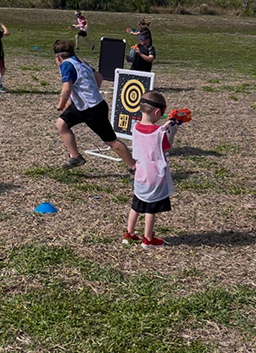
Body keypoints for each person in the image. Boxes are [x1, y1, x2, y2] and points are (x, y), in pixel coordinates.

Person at [53, 39, 134, 169]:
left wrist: (61, 105)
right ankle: (75, 157)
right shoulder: (81, 62)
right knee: (61, 124)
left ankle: (134, 168)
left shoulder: (66, 65)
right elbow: (99, 77)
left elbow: (67, 88)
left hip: (92, 109)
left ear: (57, 56)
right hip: (84, 106)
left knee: (111, 141)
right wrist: (91, 92)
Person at [123, 91, 181, 247]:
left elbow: (147, 136)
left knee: (136, 205)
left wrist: (164, 127)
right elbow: (166, 147)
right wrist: (171, 132)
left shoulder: (134, 127)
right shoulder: (158, 132)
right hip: (155, 176)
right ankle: (148, 239)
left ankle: (129, 234)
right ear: (157, 112)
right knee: (151, 208)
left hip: (140, 174)